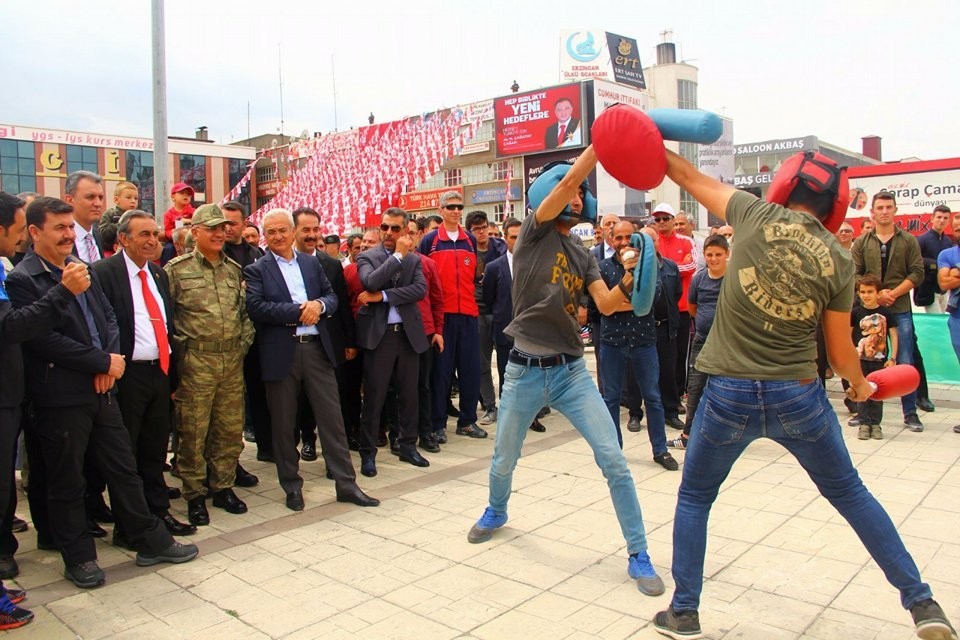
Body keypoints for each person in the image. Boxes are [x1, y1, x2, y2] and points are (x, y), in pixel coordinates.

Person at [651, 148, 955, 640]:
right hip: (797, 392)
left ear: (787, 185)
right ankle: (921, 603)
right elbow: (838, 353)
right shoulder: (837, 255)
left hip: (727, 390)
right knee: (851, 494)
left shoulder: (751, 213)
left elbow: (682, 172)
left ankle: (684, 611)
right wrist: (860, 387)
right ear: (835, 203)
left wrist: (641, 134)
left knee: (696, 498)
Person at [466, 148, 666, 598]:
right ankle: (497, 510)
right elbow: (559, 188)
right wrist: (601, 146)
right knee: (504, 458)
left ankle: (638, 552)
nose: (575, 198)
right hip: (523, 370)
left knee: (613, 458)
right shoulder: (533, 234)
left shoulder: (582, 254)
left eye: (581, 193)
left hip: (571, 372)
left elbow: (609, 305)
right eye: (570, 190)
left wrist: (633, 276)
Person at [8, 196, 198, 588]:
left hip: (102, 389)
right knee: (68, 479)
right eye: (58, 228)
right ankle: (78, 557)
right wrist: (98, 362)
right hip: (59, 396)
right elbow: (41, 339)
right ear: (34, 231)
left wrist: (110, 358)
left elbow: (108, 316)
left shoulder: (80, 268)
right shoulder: (23, 279)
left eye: (68, 228)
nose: (66, 235)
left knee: (123, 468)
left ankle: (149, 539)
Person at [243, 209, 378, 511]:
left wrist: (318, 305)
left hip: (317, 349)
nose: (277, 236)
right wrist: (299, 311)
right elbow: (257, 308)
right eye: (271, 231)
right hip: (281, 352)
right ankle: (291, 485)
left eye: (282, 230)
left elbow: (332, 297)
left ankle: (346, 484)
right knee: (283, 423)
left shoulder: (311, 262)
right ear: (265, 236)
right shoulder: (257, 269)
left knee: (332, 420)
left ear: (292, 231)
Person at [0, 191, 84, 627]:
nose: (18, 238)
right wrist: (63, 293)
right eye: (17, 229)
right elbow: (15, 327)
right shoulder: (18, 273)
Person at [92, 210, 197, 543]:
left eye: (155, 234)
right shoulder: (103, 273)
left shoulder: (158, 274)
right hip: (126, 375)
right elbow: (100, 325)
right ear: (123, 239)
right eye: (144, 235)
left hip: (159, 372)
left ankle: (156, 511)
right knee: (128, 453)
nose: (153, 241)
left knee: (154, 450)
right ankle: (129, 525)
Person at [165, 204, 254, 526]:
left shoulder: (233, 269)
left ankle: (223, 486)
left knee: (229, 430)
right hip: (196, 364)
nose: (220, 234)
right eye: (212, 229)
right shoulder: (176, 270)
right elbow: (167, 319)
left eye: (223, 228)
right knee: (193, 431)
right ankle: (194, 493)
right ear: (196, 232)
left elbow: (244, 314)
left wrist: (241, 345)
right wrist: (181, 360)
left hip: (231, 361)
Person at [354, 207, 430, 476]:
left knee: (409, 394)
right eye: (384, 227)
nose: (388, 233)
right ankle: (368, 453)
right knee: (374, 396)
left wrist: (384, 297)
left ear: (405, 229)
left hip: (408, 334)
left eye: (395, 229)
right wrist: (397, 255)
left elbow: (419, 290)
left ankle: (408, 445)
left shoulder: (414, 260)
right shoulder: (368, 256)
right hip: (380, 336)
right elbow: (371, 282)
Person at [597, 221, 677, 470]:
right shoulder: (602, 268)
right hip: (612, 342)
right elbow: (604, 306)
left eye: (628, 237)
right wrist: (630, 291)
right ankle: (614, 452)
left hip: (644, 341)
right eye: (618, 237)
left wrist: (617, 298)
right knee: (610, 398)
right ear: (610, 241)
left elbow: (648, 301)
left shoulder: (649, 267)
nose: (623, 242)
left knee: (653, 397)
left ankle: (660, 450)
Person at [851, 191, 926, 431]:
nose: (884, 211)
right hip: (868, 313)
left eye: (888, 207)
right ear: (872, 212)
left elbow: (917, 272)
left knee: (904, 360)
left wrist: (893, 293)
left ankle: (910, 412)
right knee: (865, 361)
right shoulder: (862, 242)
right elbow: (854, 273)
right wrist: (877, 293)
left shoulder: (908, 240)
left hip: (900, 308)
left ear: (895, 210)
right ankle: (865, 414)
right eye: (880, 207)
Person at [419, 192, 486, 440]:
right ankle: (437, 424)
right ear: (442, 209)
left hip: (468, 314)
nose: (456, 211)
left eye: (459, 206)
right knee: (441, 372)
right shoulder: (430, 241)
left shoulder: (469, 239)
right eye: (451, 207)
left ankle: (467, 421)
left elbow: (475, 275)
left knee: (470, 369)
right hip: (443, 316)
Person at [481, 218, 545, 432]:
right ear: (505, 238)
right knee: (507, 374)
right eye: (513, 237)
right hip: (505, 331)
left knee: (533, 374)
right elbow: (489, 299)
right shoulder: (493, 267)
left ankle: (532, 416)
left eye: (521, 237)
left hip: (532, 331)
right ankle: (509, 417)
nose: (518, 242)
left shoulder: (537, 264)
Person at [668, 234, 729, 450]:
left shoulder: (734, 279)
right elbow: (693, 307)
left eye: (718, 254)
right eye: (709, 254)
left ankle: (725, 435)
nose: (713, 259)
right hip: (702, 341)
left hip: (727, 344)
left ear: (727, 255)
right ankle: (687, 435)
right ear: (704, 255)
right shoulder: (699, 279)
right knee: (695, 387)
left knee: (727, 389)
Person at [652, 203, 693, 429]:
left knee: (676, 359)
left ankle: (674, 401)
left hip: (679, 311)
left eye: (666, 218)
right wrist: (678, 266)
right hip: (650, 318)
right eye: (657, 219)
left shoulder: (685, 242)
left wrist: (672, 267)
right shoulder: (651, 244)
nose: (662, 223)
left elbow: (691, 267)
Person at [465, 210, 506, 427]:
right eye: (476, 229)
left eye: (484, 228)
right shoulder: (465, 250)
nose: (481, 233)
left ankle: (511, 403)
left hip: (501, 312)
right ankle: (490, 406)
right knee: (481, 362)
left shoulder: (501, 248)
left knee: (507, 361)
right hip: (477, 312)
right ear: (469, 231)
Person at [850, 274, 898, 441]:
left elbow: (893, 335)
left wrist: (892, 358)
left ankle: (876, 424)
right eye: (862, 292)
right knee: (862, 392)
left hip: (880, 361)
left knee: (878, 394)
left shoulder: (886, 313)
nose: (866, 295)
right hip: (860, 360)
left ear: (878, 293)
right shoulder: (855, 313)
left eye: (870, 291)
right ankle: (864, 423)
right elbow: (848, 337)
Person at [937, 212, 960, 436]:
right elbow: (943, 282)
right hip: (958, 318)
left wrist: (957, 272)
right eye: (958, 229)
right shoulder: (947, 254)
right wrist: (952, 275)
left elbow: (952, 277)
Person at [916, 205, 953, 313]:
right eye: (939, 217)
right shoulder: (922, 239)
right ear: (932, 219)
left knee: (944, 323)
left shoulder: (948, 242)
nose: (942, 220)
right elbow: (915, 260)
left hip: (944, 290)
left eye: (945, 218)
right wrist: (935, 264)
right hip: (929, 290)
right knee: (936, 324)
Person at [65, 171, 106, 264]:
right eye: (90, 197)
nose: (98, 204)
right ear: (70, 200)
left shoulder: (97, 235)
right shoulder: (60, 238)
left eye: (100, 197)